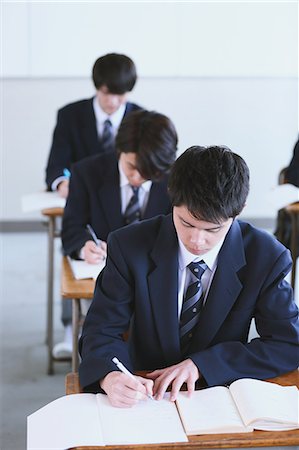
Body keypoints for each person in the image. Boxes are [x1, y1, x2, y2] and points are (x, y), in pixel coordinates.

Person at [79, 145, 299, 407]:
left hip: (216, 393)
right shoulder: (129, 246)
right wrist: (111, 376)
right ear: (172, 198)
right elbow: (100, 331)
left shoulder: (265, 257)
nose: (197, 240)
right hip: (143, 391)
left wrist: (203, 365)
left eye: (213, 229)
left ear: (238, 211)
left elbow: (287, 344)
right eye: (186, 223)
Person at [52, 109, 178, 358]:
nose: (136, 177)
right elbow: (71, 229)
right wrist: (84, 245)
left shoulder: (174, 180)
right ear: (119, 149)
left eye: (147, 172)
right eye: (132, 166)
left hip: (157, 278)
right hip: (102, 275)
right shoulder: (87, 172)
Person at [45, 53, 141, 198]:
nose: (112, 102)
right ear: (97, 87)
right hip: (82, 197)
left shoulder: (142, 119)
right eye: (106, 93)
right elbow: (55, 166)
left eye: (120, 95)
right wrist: (63, 183)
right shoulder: (69, 115)